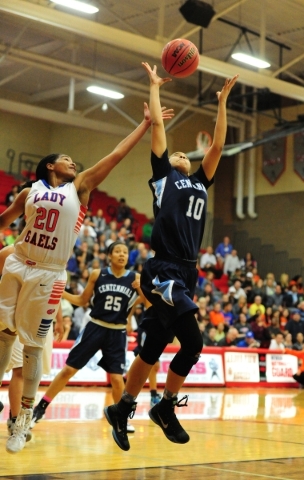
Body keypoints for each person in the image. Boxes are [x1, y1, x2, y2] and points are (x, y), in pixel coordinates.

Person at [0, 101, 174, 454]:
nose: (72, 162)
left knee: (32, 347)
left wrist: (144, 125)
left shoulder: (78, 188)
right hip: (17, 263)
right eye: (65, 158)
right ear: (49, 166)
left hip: (49, 273)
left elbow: (115, 155)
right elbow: (3, 222)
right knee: (3, 338)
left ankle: (23, 421)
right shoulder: (28, 192)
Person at [104, 62, 238, 451]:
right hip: (163, 269)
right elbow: (159, 129)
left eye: (184, 152)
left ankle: (122, 406)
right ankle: (164, 407)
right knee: (193, 343)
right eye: (175, 152)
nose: (179, 153)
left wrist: (223, 102)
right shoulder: (163, 175)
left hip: (188, 272)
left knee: (153, 346)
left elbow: (217, 145)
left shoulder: (200, 180)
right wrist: (153, 85)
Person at [32, 241, 143, 433]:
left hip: (117, 332)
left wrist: (141, 289)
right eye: (117, 251)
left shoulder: (135, 278)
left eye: (125, 252)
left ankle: (120, 418)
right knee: (68, 370)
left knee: (117, 379)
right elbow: (82, 300)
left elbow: (150, 303)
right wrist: (61, 294)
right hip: (95, 327)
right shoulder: (97, 274)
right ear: (109, 256)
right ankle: (39, 408)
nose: (121, 255)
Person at [0, 245, 64, 440]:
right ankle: (16, 421)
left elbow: (55, 289)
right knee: (20, 369)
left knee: (27, 371)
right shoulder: (8, 253)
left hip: (39, 317)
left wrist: (59, 319)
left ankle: (17, 420)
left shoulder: (53, 254)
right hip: (15, 318)